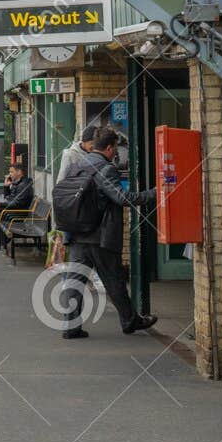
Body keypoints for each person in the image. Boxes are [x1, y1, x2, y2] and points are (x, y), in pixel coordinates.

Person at [60, 129, 158, 339]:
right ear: (109, 148)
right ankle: (130, 321)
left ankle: (71, 327)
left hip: (77, 233)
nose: (116, 153)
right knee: (114, 280)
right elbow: (123, 198)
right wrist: (154, 193)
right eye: (115, 149)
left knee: (75, 281)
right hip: (100, 236)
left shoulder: (77, 165)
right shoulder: (106, 168)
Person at [0, 165, 35, 251]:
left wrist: (0, 205)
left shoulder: (23, 185)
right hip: (12, 209)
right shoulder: (17, 183)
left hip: (18, 212)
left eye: (11, 172)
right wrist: (6, 186)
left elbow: (18, 203)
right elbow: (9, 197)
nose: (9, 174)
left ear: (19, 172)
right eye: (10, 172)